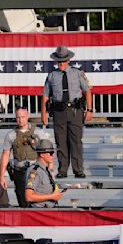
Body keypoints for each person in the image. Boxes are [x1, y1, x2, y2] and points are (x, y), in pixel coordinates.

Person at [41, 45, 93, 179]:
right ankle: (63, 169)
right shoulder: (52, 75)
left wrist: (90, 109)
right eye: (58, 61)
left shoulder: (77, 73)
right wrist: (43, 114)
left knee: (76, 141)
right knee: (61, 142)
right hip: (59, 112)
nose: (60, 64)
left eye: (63, 61)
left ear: (68, 60)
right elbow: (46, 96)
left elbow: (87, 90)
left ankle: (78, 169)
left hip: (75, 111)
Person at [0, 106, 50, 207]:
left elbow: (47, 151)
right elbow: (5, 155)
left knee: (37, 203)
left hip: (35, 172)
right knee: (22, 201)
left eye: (22, 117)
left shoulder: (38, 132)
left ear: (27, 116)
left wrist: (50, 168)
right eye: (18, 117)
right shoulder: (11, 135)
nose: (20, 120)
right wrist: (2, 176)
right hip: (19, 171)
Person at [25, 139, 63, 208]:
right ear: (42, 154)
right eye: (51, 153)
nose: (53, 156)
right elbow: (29, 196)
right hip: (39, 211)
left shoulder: (46, 170)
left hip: (48, 210)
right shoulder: (35, 171)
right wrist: (52, 196)